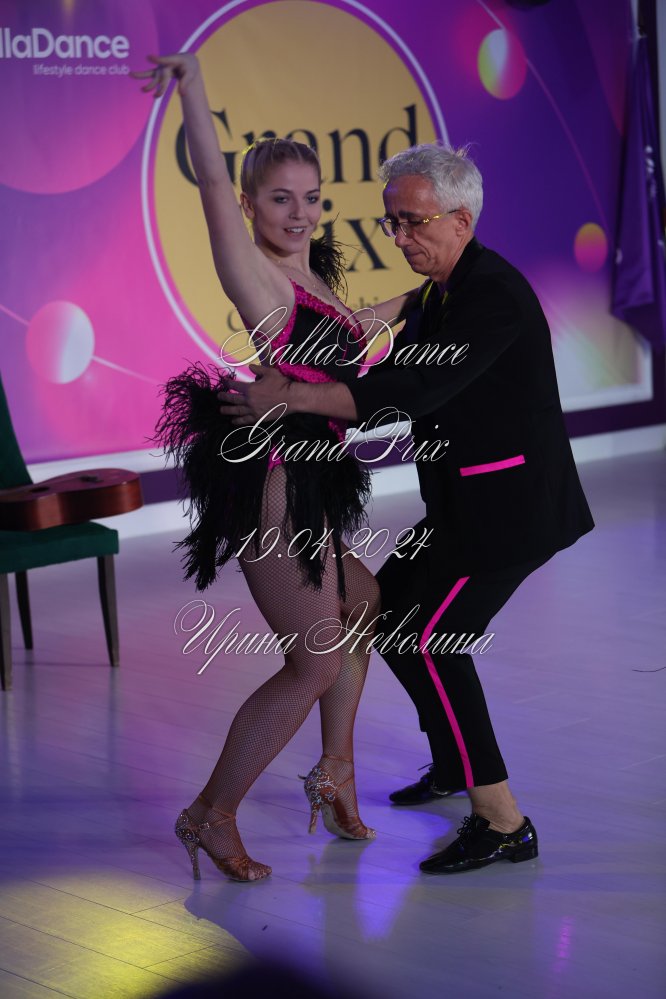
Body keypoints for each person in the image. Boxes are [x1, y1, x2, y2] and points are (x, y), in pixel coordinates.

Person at [219, 143, 595, 874]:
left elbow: (413, 391)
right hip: (461, 505)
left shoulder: (492, 296)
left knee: (431, 639)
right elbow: (419, 315)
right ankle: (454, 762)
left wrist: (291, 396)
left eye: (412, 222)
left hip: (509, 511)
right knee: (388, 617)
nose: (398, 237)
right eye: (390, 222)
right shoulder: (448, 287)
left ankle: (503, 820)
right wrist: (386, 309)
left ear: (460, 220)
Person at [132, 53, 415, 882]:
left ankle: (334, 773)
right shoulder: (255, 274)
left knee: (364, 601)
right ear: (251, 204)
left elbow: (352, 333)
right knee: (317, 659)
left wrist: (429, 294)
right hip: (277, 483)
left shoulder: (307, 275)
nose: (299, 212)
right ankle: (209, 813)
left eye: (311, 197)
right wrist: (192, 88)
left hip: (316, 478)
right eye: (280, 198)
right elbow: (210, 187)